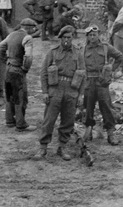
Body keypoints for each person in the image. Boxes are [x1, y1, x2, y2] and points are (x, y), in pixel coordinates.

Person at [34, 25, 85, 161]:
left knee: (68, 120)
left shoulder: (78, 54)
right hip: (55, 90)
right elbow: (44, 73)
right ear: (61, 38)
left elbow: (83, 75)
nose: (67, 40)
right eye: (65, 37)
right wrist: (45, 92)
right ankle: (43, 147)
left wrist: (80, 95)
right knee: (49, 120)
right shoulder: (53, 52)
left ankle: (62, 147)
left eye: (70, 37)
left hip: (71, 90)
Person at [82, 25, 123, 145]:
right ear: (87, 37)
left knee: (106, 106)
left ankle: (110, 133)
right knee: (88, 107)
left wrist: (111, 70)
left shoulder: (105, 47)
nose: (93, 37)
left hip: (102, 82)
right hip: (89, 81)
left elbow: (119, 57)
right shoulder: (83, 49)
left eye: (94, 34)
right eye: (90, 35)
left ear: (98, 35)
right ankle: (88, 130)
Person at [0, 18, 37, 131]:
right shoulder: (27, 38)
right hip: (18, 70)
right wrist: (25, 68)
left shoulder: (12, 35)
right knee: (20, 97)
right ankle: (21, 124)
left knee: (10, 95)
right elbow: (28, 56)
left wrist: (5, 60)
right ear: (29, 27)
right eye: (33, 28)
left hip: (9, 68)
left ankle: (9, 120)